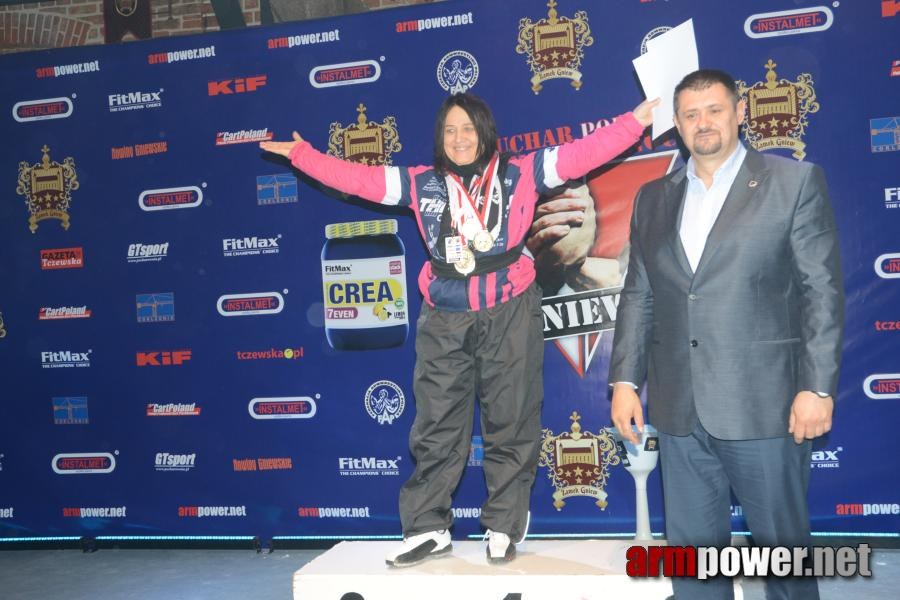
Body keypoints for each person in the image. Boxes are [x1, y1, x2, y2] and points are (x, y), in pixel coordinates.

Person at [262, 92, 658, 567]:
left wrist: (635, 121)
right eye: (450, 130)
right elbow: (358, 179)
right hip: (444, 316)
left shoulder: (523, 173)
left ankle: (504, 524)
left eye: (468, 128)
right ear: (439, 138)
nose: (459, 138)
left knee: (511, 418)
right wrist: (303, 156)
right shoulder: (420, 182)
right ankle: (427, 527)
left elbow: (585, 152)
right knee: (436, 424)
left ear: (485, 131)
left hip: (510, 310)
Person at [609, 69, 843, 599]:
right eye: (690, 114)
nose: (703, 123)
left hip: (766, 406)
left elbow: (821, 293)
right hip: (679, 409)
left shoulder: (793, 183)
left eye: (714, 110)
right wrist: (624, 380)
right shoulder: (652, 198)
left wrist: (817, 387)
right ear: (676, 125)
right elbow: (639, 294)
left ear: (739, 112)